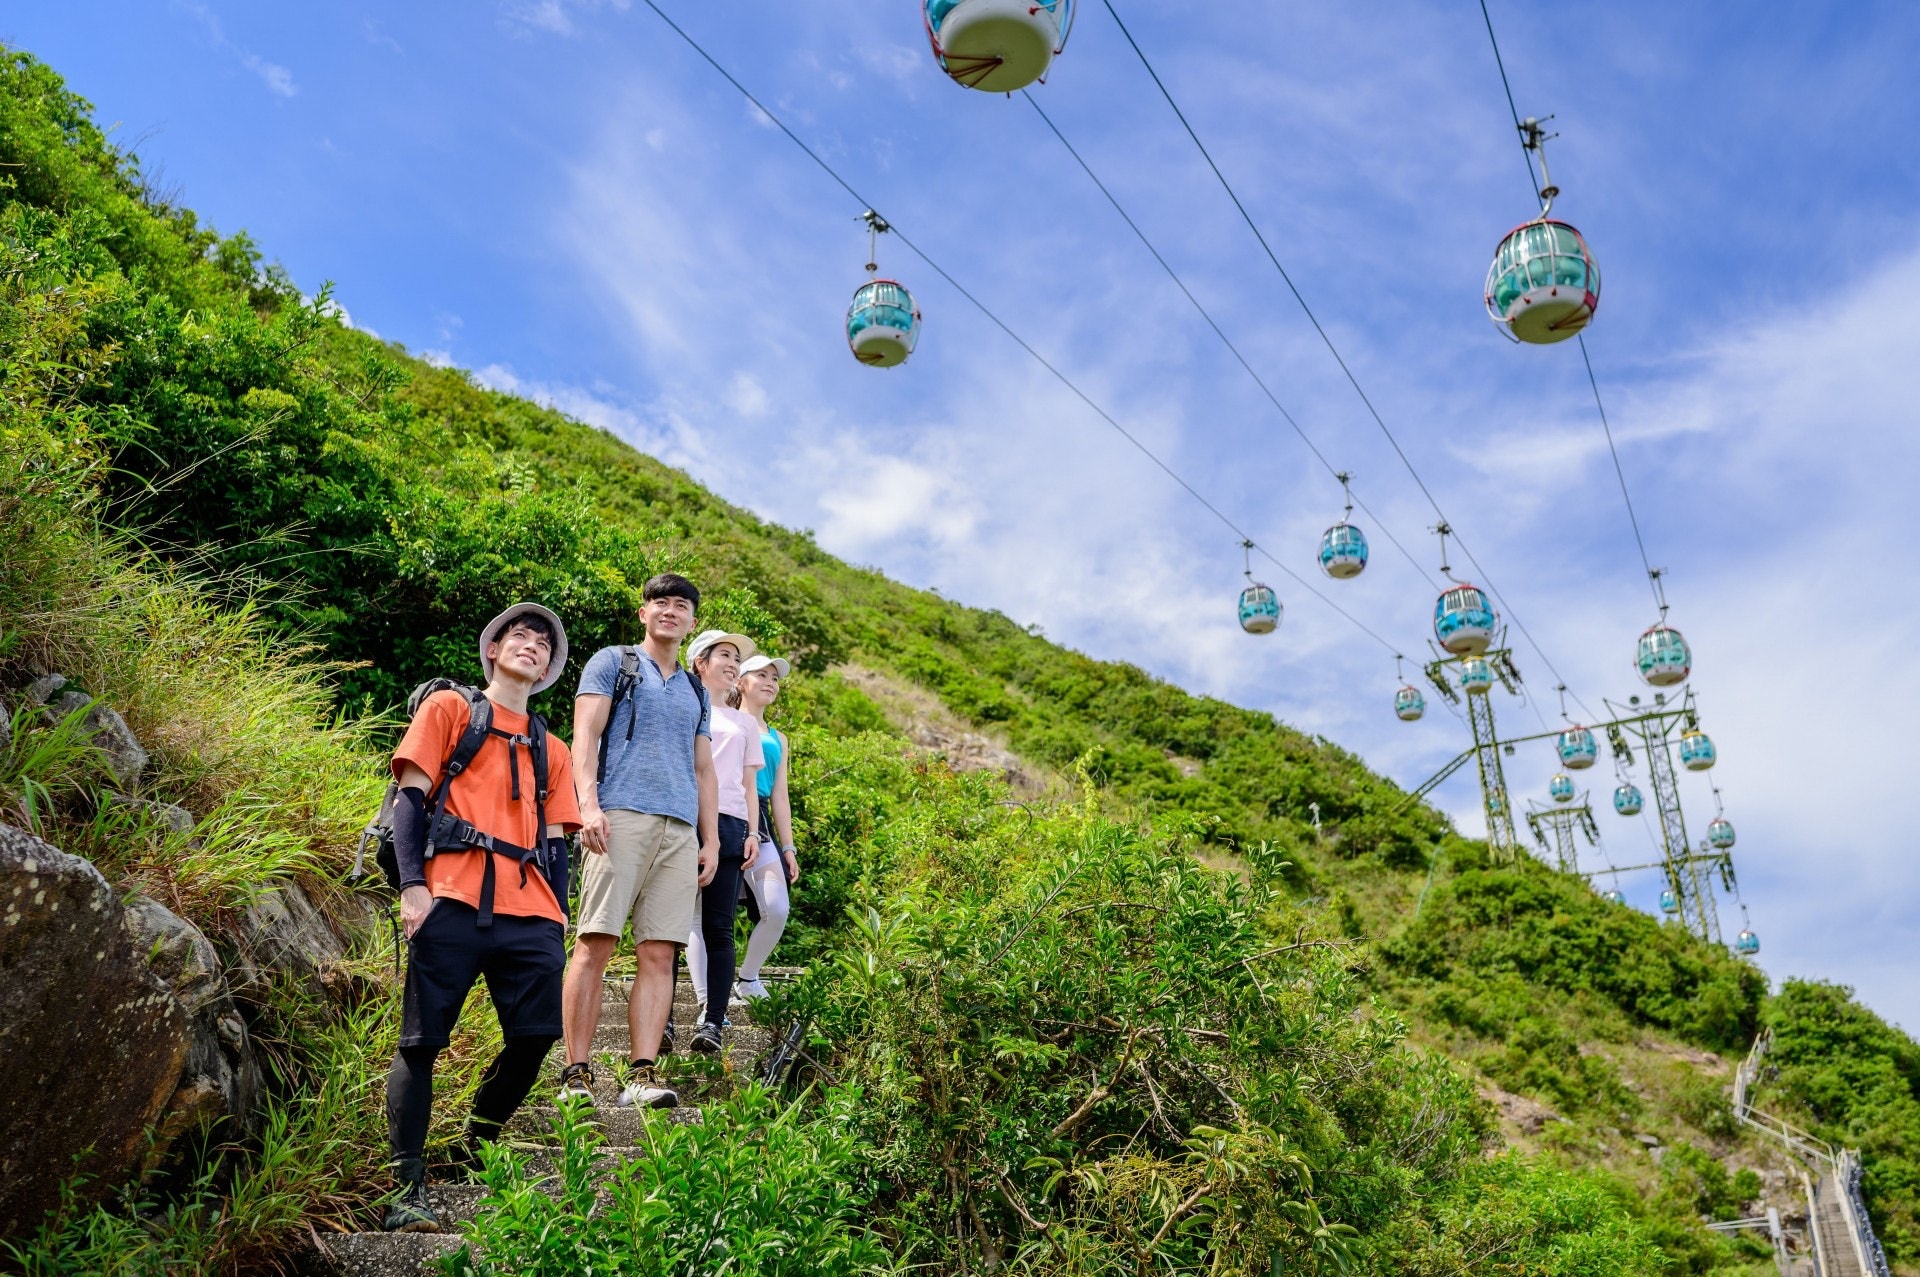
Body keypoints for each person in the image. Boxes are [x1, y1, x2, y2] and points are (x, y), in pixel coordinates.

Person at [382, 603, 581, 1234]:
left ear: (549, 667)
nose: (532, 645)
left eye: (543, 643)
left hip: (530, 909)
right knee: (422, 1042)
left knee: (537, 1036)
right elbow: (410, 800)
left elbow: (556, 842)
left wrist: (560, 914)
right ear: (492, 650)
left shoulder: (554, 747)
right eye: (518, 636)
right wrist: (414, 887)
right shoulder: (447, 711)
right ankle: (406, 1186)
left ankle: (474, 1147)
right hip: (451, 893)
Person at [561, 574, 720, 1111]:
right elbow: (584, 736)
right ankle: (576, 1073)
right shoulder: (614, 662)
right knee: (596, 941)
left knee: (660, 953)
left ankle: (642, 1073)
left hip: (679, 829)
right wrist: (588, 806)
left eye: (681, 606)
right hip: (620, 814)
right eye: (660, 603)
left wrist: (711, 838)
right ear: (643, 613)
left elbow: (704, 768)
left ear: (692, 621)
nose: (670, 612)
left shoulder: (697, 688)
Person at [682, 630, 762, 1051]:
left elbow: (749, 784)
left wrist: (753, 831)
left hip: (730, 822)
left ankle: (713, 1020)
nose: (733, 664)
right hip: (680, 816)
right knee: (667, 924)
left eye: (737, 658)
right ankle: (661, 1023)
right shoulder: (682, 705)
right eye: (725, 655)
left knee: (719, 927)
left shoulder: (744, 721)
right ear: (701, 662)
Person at [731, 653, 797, 1001]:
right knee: (709, 912)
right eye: (761, 675)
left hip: (762, 821)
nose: (771, 682)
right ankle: (706, 994)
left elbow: (780, 796)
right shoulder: (722, 720)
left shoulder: (779, 738)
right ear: (740, 682)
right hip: (724, 811)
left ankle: (748, 977)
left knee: (777, 907)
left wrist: (789, 848)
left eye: (775, 677)